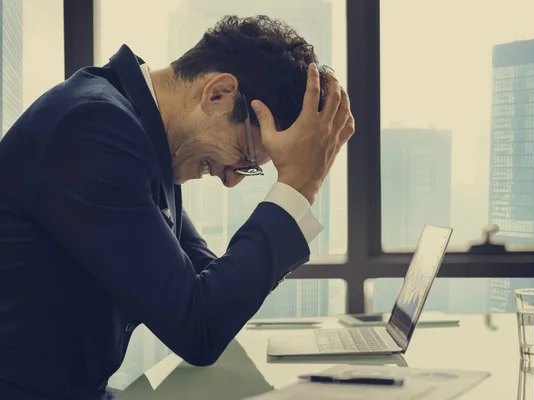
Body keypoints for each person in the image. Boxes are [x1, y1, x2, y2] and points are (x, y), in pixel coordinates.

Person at [0, 15, 354, 400]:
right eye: (245, 157)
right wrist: (299, 185)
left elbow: (207, 282)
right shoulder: (94, 129)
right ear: (218, 93)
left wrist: (299, 187)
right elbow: (198, 326)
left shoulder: (143, 134)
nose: (232, 180)